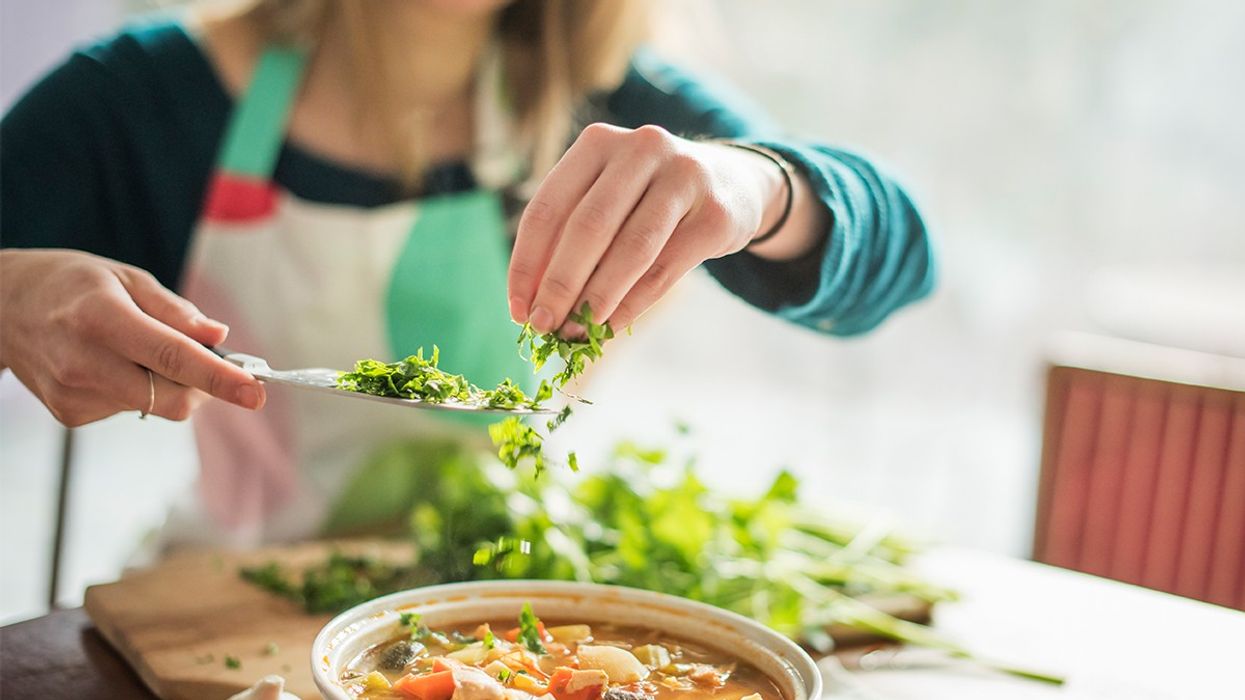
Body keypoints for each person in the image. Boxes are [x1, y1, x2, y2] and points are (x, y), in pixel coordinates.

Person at [0, 0, 934, 545]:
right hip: (227, 602)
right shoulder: (146, 99)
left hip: (519, 613)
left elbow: (906, 256)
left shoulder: (612, 95)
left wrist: (760, 185)